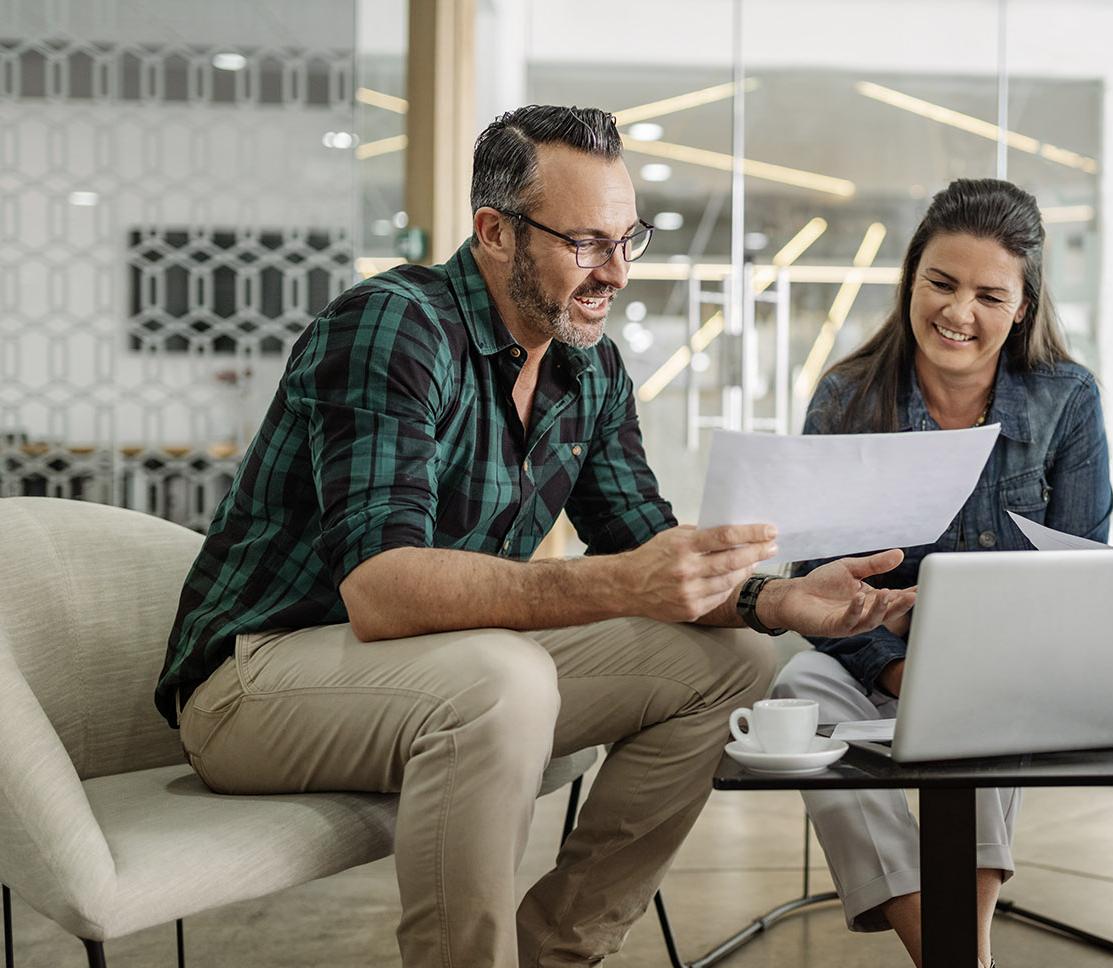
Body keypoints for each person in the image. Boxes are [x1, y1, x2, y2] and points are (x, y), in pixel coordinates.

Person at [154, 105, 913, 968]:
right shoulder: (393, 326)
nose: (617, 272)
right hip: (255, 684)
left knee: (735, 661)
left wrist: (777, 598)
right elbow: (379, 586)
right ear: (494, 232)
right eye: (586, 243)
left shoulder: (587, 368)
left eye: (630, 240)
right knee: (501, 675)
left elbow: (643, 543)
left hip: (444, 676)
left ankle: (552, 953)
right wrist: (622, 583)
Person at [772, 178, 1113, 967]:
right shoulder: (848, 397)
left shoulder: (1068, 401)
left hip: (1007, 675)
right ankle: (949, 952)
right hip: (877, 669)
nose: (959, 313)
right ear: (911, 280)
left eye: (989, 295)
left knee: (984, 693)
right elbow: (820, 580)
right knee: (797, 691)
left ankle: (967, 948)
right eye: (942, 284)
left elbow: (1084, 572)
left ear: (1022, 307)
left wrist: (968, 667)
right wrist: (896, 674)